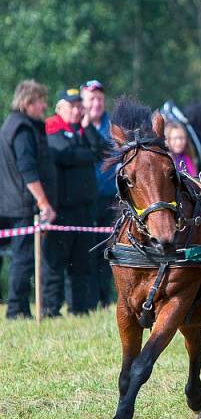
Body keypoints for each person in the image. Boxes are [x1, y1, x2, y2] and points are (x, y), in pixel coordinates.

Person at [41, 88, 104, 316]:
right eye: (72, 106)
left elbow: (102, 150)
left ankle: (79, 308)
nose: (78, 110)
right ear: (60, 108)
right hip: (62, 210)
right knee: (55, 263)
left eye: (79, 106)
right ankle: (50, 309)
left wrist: (87, 129)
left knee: (82, 262)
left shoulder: (82, 131)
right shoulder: (51, 129)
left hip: (85, 209)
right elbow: (62, 155)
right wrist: (87, 154)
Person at [0, 80, 57, 319]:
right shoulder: (22, 128)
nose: (44, 105)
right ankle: (16, 309)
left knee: (19, 258)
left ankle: (18, 306)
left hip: (9, 201)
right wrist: (44, 203)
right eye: (40, 101)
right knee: (23, 259)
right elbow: (27, 169)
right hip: (21, 204)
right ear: (27, 102)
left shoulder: (10, 124)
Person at [81, 79, 115, 308]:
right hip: (82, 200)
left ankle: (105, 299)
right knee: (84, 252)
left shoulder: (112, 126)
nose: (96, 103)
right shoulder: (74, 127)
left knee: (106, 251)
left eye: (100, 99)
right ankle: (86, 301)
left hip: (109, 197)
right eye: (92, 98)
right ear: (83, 102)